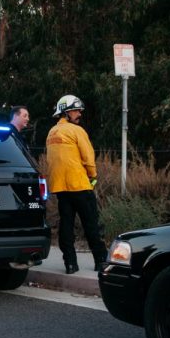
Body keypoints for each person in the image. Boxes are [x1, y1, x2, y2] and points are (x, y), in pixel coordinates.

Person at [45, 94, 107, 274]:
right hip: (80, 185)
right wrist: (93, 176)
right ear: (65, 112)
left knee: (66, 227)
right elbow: (88, 158)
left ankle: (70, 264)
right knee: (91, 225)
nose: (79, 113)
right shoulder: (76, 131)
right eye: (76, 110)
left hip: (61, 189)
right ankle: (101, 261)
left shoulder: (51, 133)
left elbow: (51, 160)